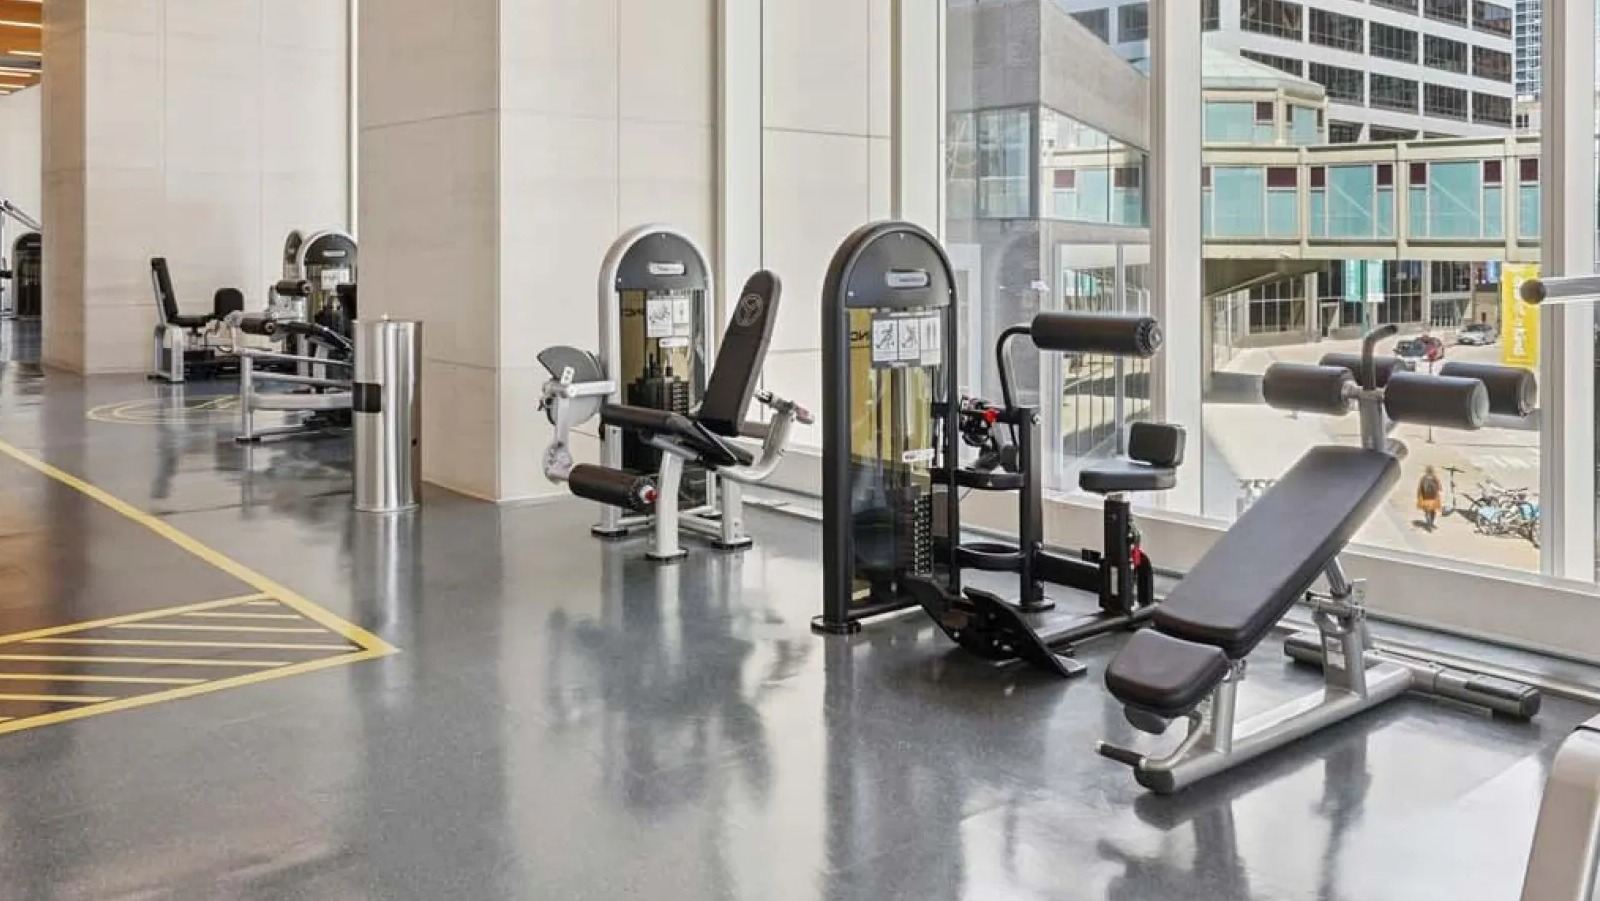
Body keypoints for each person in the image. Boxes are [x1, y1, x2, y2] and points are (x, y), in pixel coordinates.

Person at [1417, 466, 1442, 531]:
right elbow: (1439, 488)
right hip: (1433, 497)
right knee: (1433, 512)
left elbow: (1420, 488)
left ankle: (1429, 524)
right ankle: (1431, 523)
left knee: (1427, 511)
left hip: (1426, 497)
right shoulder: (1435, 478)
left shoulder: (1423, 478)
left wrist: (1419, 497)